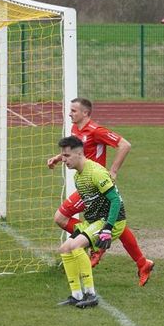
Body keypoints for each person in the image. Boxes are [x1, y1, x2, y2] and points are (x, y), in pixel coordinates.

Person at [47, 97, 153, 286]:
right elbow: (76, 152)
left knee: (62, 218)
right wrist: (58, 158)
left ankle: (92, 244)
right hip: (85, 184)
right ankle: (142, 263)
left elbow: (124, 145)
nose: (70, 113)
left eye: (73, 110)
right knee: (117, 225)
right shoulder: (75, 129)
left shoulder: (96, 131)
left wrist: (113, 170)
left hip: (96, 186)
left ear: (85, 113)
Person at [56, 136, 128, 308]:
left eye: (66, 156)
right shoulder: (78, 177)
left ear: (79, 153)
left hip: (111, 221)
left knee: (76, 246)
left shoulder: (95, 172)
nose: (63, 160)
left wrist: (108, 228)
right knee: (65, 248)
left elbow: (115, 201)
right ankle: (76, 295)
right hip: (95, 221)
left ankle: (91, 294)